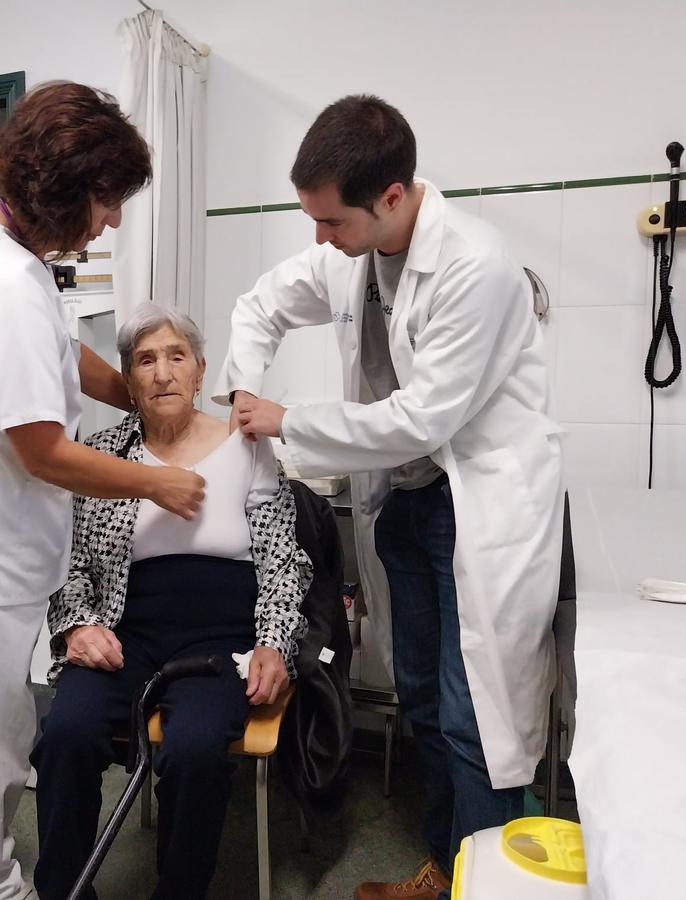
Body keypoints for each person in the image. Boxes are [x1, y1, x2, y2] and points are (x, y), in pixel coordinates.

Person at [219, 95, 564, 900]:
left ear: (393, 198)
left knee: (472, 708)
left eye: (331, 221)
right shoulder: (350, 252)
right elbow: (259, 306)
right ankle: (447, 871)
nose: (320, 239)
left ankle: (486, 884)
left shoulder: (475, 266)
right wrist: (244, 390)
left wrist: (288, 419)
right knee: (419, 694)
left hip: (476, 505)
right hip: (406, 506)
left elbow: (424, 417)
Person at [0, 83, 206, 900]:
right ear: (66, 191)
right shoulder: (5, 286)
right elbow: (44, 452)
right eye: (107, 202)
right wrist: (158, 481)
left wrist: (139, 391)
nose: (114, 221)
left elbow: (61, 357)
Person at [31, 304, 310, 900]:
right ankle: (63, 891)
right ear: (128, 382)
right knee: (66, 734)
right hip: (124, 629)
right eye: (145, 360)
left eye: (176, 357)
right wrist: (78, 626)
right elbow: (68, 563)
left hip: (222, 641)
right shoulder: (102, 451)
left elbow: (285, 563)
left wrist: (274, 644)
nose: (162, 373)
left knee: (195, 750)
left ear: (200, 372)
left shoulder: (247, 446)